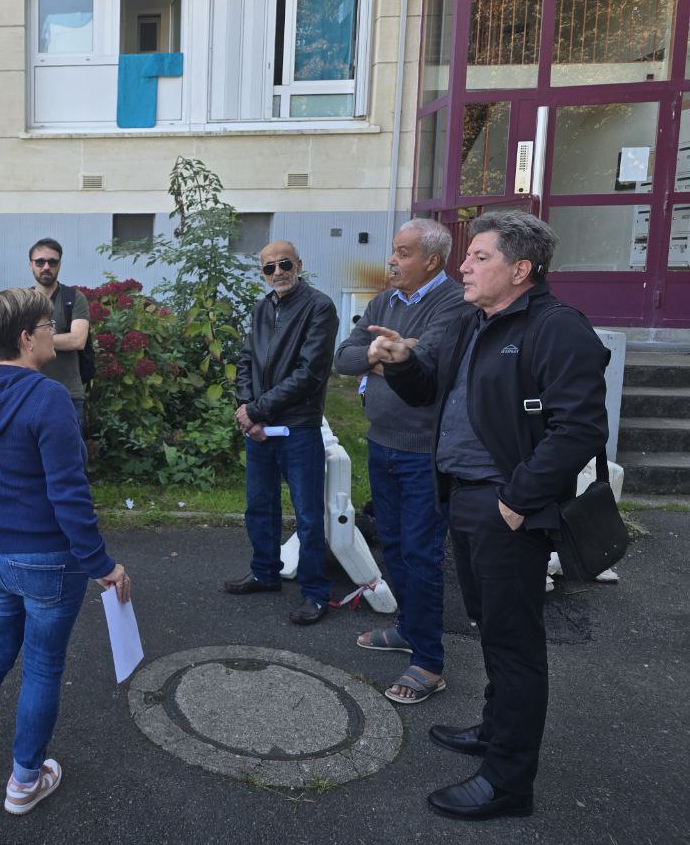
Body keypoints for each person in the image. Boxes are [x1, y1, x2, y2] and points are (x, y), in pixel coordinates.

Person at [369, 210, 609, 821]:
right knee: (489, 626)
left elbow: (579, 427)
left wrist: (517, 497)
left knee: (514, 643)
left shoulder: (557, 329)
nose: (464, 266)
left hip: (507, 509)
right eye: (467, 256)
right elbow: (432, 395)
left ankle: (507, 783)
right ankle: (494, 730)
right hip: (465, 499)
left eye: (479, 257)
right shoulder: (477, 324)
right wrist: (401, 363)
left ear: (520, 269)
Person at [0, 288, 130, 814]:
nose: (53, 334)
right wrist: (101, 564)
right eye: (46, 325)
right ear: (25, 337)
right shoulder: (48, 397)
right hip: (44, 558)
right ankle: (23, 781)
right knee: (41, 666)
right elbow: (69, 492)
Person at [334, 219, 466, 704]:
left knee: (421, 553)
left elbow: (425, 358)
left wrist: (392, 354)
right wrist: (382, 354)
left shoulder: (452, 302)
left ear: (431, 260)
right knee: (391, 544)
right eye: (394, 250)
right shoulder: (384, 302)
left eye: (402, 252)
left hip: (423, 451)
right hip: (383, 442)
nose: (392, 260)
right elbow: (343, 358)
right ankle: (410, 629)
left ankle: (429, 663)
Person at [229, 240, 337, 625]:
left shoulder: (319, 307)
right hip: (259, 426)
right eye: (269, 268)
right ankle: (264, 572)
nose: (278, 272)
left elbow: (309, 373)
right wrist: (247, 409)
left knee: (307, 513)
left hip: (297, 426)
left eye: (284, 263)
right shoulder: (262, 308)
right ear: (262, 273)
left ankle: (315, 592)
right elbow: (245, 361)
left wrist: (256, 410)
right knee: (259, 505)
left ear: (299, 263)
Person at [27, 238, 90, 430]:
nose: (46, 267)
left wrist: (33, 339)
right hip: (28, 391)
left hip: (68, 395)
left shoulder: (74, 298)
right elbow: (13, 340)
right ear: (31, 265)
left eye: (52, 262)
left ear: (59, 264)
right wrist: (58, 339)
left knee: (68, 457)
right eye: (40, 262)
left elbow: (78, 340)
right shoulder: (22, 301)